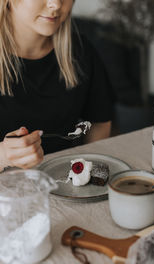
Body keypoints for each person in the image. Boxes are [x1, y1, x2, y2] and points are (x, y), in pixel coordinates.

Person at [0, 0, 113, 171]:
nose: (56, 4)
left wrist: (84, 172)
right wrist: (3, 156)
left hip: (64, 183)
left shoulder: (80, 51)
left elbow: (99, 123)